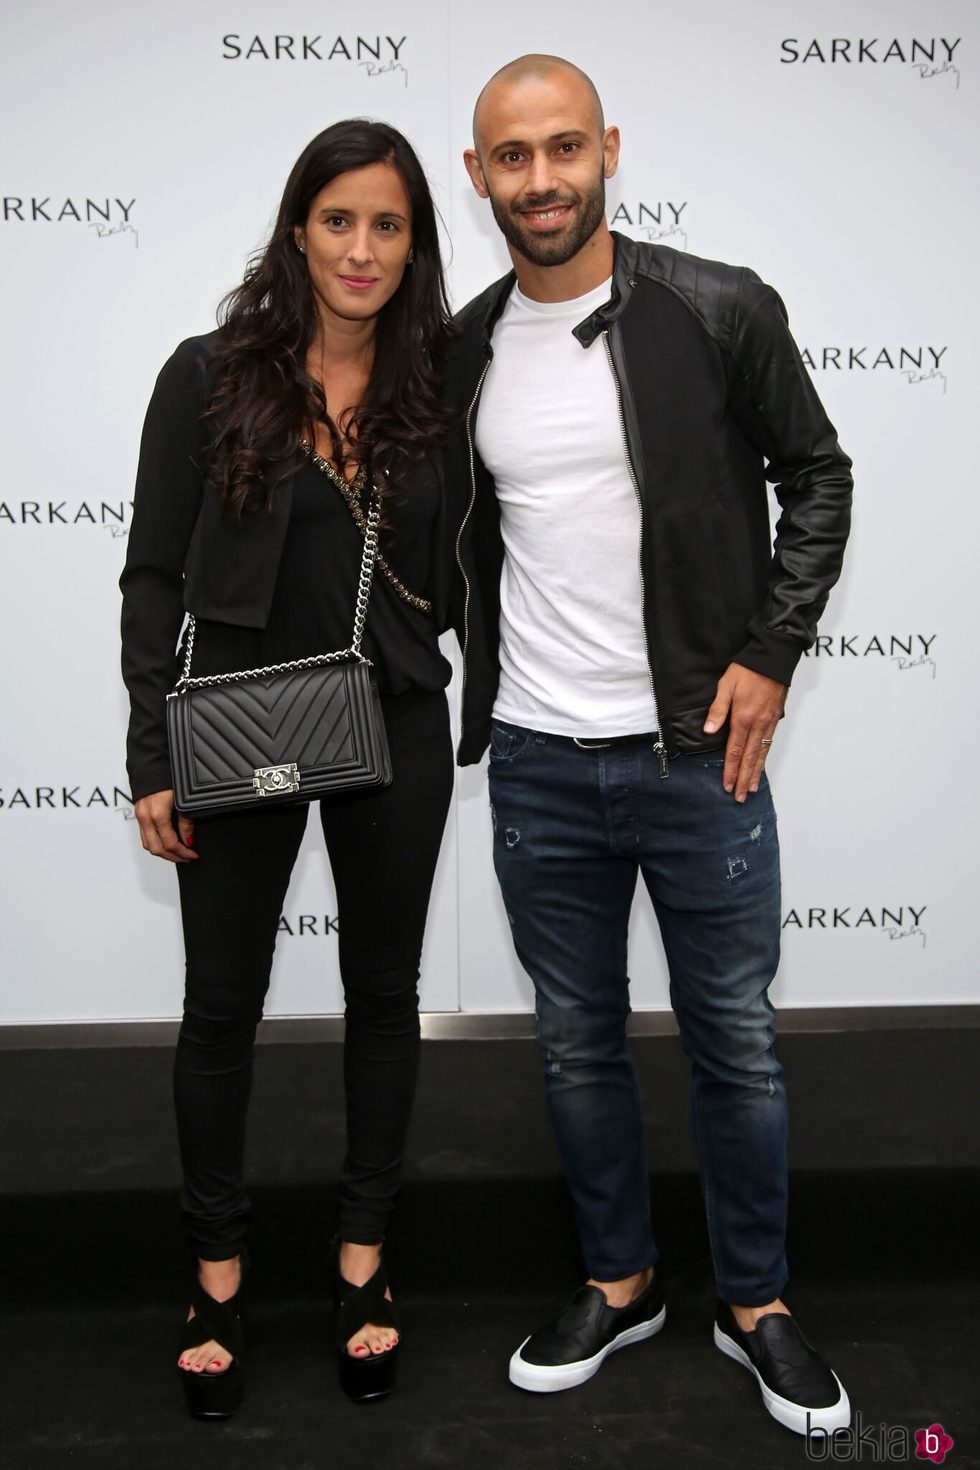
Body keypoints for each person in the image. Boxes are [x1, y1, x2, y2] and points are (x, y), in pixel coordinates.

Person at [446, 55, 854, 1437]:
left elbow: (821, 473)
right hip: (538, 760)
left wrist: (771, 650)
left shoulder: (717, 305)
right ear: (477, 173)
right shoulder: (464, 344)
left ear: (609, 147)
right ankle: (621, 1283)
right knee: (576, 1042)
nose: (543, 179)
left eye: (565, 148)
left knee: (735, 1041)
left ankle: (758, 1303)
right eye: (514, 156)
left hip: (699, 756)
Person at [120, 119, 458, 1418]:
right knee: (221, 1009)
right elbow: (154, 571)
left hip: (398, 726)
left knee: (384, 998)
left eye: (387, 223)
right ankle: (215, 1275)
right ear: (297, 228)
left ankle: (363, 1266)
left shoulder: (441, 388)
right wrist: (154, 746)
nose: (361, 248)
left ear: (414, 242)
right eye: (338, 219)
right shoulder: (209, 375)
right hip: (250, 716)